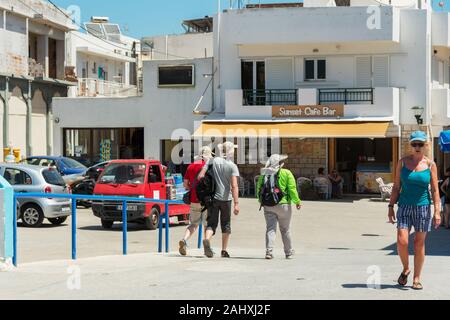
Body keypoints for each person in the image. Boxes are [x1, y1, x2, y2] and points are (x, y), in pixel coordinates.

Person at [388, 131, 441, 290]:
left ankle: (417, 278)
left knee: (419, 243)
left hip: (423, 207)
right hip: (404, 206)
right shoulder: (402, 163)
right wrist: (390, 207)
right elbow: (397, 187)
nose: (417, 147)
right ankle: (406, 268)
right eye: (414, 144)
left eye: (420, 144)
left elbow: (435, 190)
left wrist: (437, 211)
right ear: (410, 146)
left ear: (426, 145)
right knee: (402, 241)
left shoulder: (431, 165)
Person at [198, 141, 240, 258]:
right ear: (231, 152)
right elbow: (234, 186)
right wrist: (236, 203)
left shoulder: (212, 161)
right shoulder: (232, 165)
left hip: (213, 198)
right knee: (226, 224)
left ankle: (207, 239)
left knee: (211, 223)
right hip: (226, 199)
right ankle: (224, 250)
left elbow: (200, 176)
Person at [256, 154, 302, 260]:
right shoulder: (286, 173)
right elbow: (292, 189)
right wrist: (297, 201)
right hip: (284, 205)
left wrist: (261, 201)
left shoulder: (264, 173)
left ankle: (269, 252)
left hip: (268, 205)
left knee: (270, 229)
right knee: (285, 229)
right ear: (280, 163)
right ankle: (288, 252)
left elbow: (259, 189)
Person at [178, 146, 214, 256]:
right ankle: (207, 243)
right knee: (207, 225)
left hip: (194, 200)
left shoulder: (191, 167)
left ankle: (184, 240)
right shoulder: (209, 167)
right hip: (207, 201)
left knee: (193, 224)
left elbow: (185, 184)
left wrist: (192, 189)